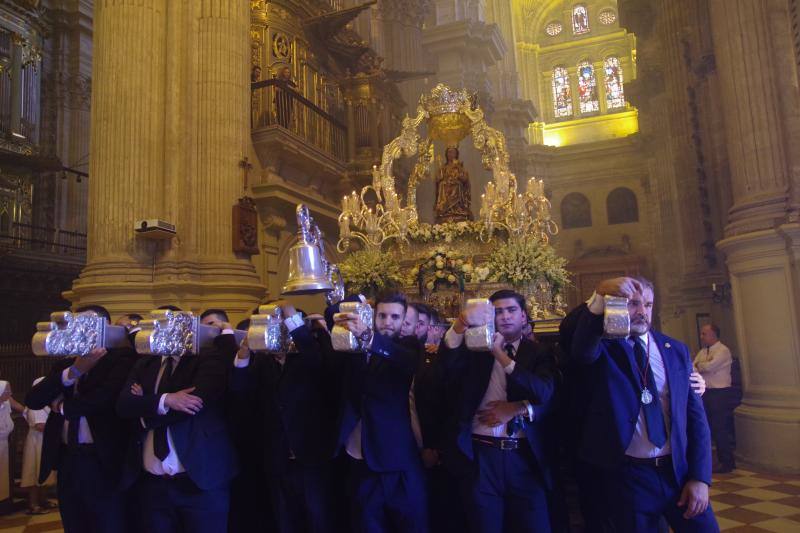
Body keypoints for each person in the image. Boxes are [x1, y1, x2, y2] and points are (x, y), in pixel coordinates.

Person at [561, 276, 718, 532]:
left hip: (677, 471)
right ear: (617, 306)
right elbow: (579, 347)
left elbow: (695, 418)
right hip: (630, 478)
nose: (641, 311)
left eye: (647, 304)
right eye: (633, 304)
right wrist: (599, 295)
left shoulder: (675, 349)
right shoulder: (604, 348)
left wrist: (701, 478)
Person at [439, 290, 557, 533]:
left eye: (511, 310)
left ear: (523, 316)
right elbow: (447, 359)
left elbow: (543, 393)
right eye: (498, 312)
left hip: (524, 457)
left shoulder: (539, 352)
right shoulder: (475, 350)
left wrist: (515, 407)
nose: (504, 317)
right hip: (482, 456)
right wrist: (461, 322)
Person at [116, 321, 238, 533]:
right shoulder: (146, 363)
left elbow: (194, 404)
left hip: (200, 479)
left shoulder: (207, 359)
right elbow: (124, 405)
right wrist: (166, 400)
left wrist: (145, 409)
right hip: (153, 484)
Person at [25, 304, 138, 533]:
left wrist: (64, 407)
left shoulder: (120, 359)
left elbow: (104, 398)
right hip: (68, 458)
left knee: (108, 522)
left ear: (106, 329)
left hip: (103, 458)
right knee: (74, 522)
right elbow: (34, 399)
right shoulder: (66, 364)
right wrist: (75, 370)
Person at [230, 300, 340, 533]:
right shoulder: (262, 361)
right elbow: (241, 393)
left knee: (319, 518)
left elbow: (314, 356)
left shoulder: (308, 358)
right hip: (277, 457)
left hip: (311, 456)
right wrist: (243, 354)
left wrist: (292, 319)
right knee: (284, 520)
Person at [332, 291, 428, 533]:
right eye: (382, 315)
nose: (388, 322)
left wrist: (367, 334)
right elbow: (331, 314)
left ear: (404, 319)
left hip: (396, 458)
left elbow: (402, 359)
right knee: (366, 525)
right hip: (360, 456)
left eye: (395, 317)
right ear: (374, 315)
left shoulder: (409, 346)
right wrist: (357, 304)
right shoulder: (355, 345)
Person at [694, 324, 736, 473]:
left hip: (721, 393)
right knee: (709, 427)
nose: (702, 336)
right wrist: (700, 366)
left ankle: (727, 462)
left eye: (704, 333)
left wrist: (701, 366)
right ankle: (718, 459)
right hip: (707, 393)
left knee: (720, 428)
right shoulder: (702, 351)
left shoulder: (723, 350)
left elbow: (708, 367)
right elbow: (693, 367)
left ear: (713, 334)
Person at [21, 376, 56, 515]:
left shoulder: (47, 404)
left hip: (45, 441)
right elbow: (40, 425)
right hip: (37, 442)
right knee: (34, 473)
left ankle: (43, 499)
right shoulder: (35, 405)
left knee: (44, 473)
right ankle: (33, 504)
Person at [435, 146, 472, 223]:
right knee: (442, 184)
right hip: (445, 186)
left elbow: (464, 179)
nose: (451, 154)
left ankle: (457, 208)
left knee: (457, 185)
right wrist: (440, 170)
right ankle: (444, 208)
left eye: (453, 152)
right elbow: (438, 179)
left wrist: (458, 168)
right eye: (449, 152)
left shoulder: (459, 166)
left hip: (456, 185)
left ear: (456, 154)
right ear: (446, 154)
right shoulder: (443, 167)